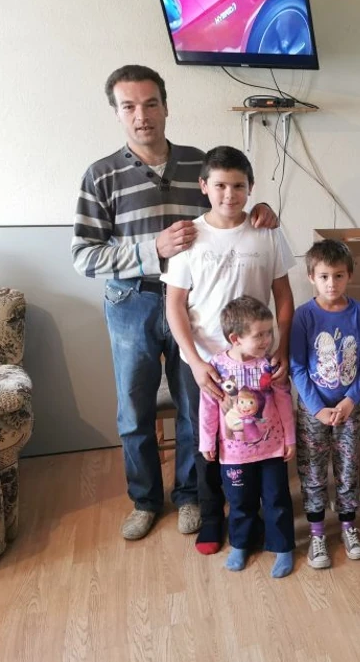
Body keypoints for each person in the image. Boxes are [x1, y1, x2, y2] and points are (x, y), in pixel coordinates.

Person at [71, 64, 277, 541]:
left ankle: (189, 496)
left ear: (165, 106)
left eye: (151, 104)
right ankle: (145, 500)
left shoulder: (199, 165)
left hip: (196, 308)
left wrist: (261, 212)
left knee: (195, 403)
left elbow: (228, 215)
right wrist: (152, 250)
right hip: (133, 303)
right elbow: (83, 255)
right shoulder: (101, 175)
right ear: (116, 113)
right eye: (129, 106)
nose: (141, 115)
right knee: (134, 409)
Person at [162, 145, 294, 554]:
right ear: (204, 186)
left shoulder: (266, 231)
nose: (229, 194)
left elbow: (284, 296)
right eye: (220, 185)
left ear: (250, 187)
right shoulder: (189, 236)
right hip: (207, 363)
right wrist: (195, 362)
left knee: (258, 433)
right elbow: (174, 305)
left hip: (257, 362)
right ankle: (211, 518)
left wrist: (282, 347)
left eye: (238, 186)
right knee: (206, 438)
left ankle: (256, 517)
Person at [290, 240, 360, 569]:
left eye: (338, 276)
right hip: (313, 412)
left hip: (350, 410)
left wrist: (351, 399)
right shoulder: (304, 316)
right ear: (311, 277)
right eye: (324, 276)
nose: (331, 283)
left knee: (348, 469)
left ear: (349, 275)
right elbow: (298, 366)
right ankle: (316, 534)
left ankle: (348, 526)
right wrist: (317, 408)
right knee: (312, 471)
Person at [198, 297, 296, 576]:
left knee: (276, 500)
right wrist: (207, 441)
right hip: (234, 454)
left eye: (269, 332)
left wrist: (290, 438)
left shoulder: (269, 365)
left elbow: (284, 401)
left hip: (271, 450)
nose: (267, 340)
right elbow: (207, 407)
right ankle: (241, 544)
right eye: (259, 335)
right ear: (235, 338)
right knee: (240, 501)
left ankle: (283, 547)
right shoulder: (216, 368)